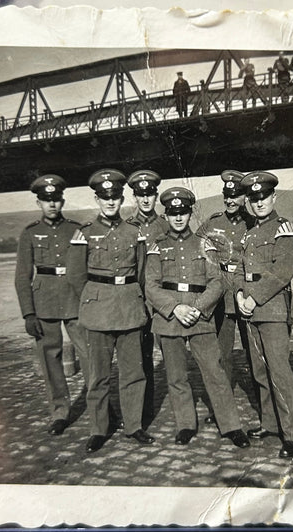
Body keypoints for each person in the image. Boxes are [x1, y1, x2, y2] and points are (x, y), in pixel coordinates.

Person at [145, 186, 250, 449]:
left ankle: (231, 426)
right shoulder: (157, 247)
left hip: (200, 317)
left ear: (190, 213)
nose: (178, 218)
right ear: (166, 215)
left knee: (214, 372)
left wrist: (199, 307)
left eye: (182, 212)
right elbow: (151, 286)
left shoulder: (205, 244)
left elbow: (216, 282)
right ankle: (185, 425)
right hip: (169, 318)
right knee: (177, 376)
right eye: (172, 213)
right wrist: (175, 308)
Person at [67, 168, 155, 453]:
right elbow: (76, 276)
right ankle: (98, 428)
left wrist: (134, 299)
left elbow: (142, 272)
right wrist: (95, 298)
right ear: (96, 199)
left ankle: (134, 426)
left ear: (121, 198)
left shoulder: (135, 233)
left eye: (115, 196)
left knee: (133, 373)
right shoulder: (85, 233)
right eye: (105, 197)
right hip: (99, 312)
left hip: (129, 308)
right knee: (98, 376)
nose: (110, 202)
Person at [235, 171, 293, 460]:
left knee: (280, 372)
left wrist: (253, 297)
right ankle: (269, 423)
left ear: (273, 197)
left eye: (263, 196)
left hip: (272, 309)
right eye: (254, 198)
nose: (259, 202)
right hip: (249, 309)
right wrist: (240, 294)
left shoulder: (284, 228)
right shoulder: (250, 234)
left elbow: (283, 271)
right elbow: (241, 269)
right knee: (260, 370)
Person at [14, 174, 89, 436]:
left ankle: (100, 406)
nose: (52, 205)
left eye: (56, 199)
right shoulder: (30, 233)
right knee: (50, 358)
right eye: (46, 200)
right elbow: (23, 276)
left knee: (90, 354)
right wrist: (28, 313)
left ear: (62, 200)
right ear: (38, 203)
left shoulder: (76, 230)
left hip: (74, 298)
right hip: (43, 301)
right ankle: (60, 412)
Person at [196, 170, 255, 424]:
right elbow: (195, 247)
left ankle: (262, 402)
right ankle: (220, 406)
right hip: (221, 296)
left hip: (247, 294)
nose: (230, 200)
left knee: (254, 351)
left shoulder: (253, 223)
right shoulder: (212, 222)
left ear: (245, 197)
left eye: (236, 196)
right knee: (223, 353)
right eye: (227, 195)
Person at [126, 169, 169, 422]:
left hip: (163, 300)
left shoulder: (166, 224)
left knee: (171, 353)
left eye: (150, 194)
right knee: (140, 357)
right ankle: (143, 412)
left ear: (156, 196)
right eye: (140, 195)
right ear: (134, 197)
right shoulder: (127, 227)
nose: (145, 200)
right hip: (138, 301)